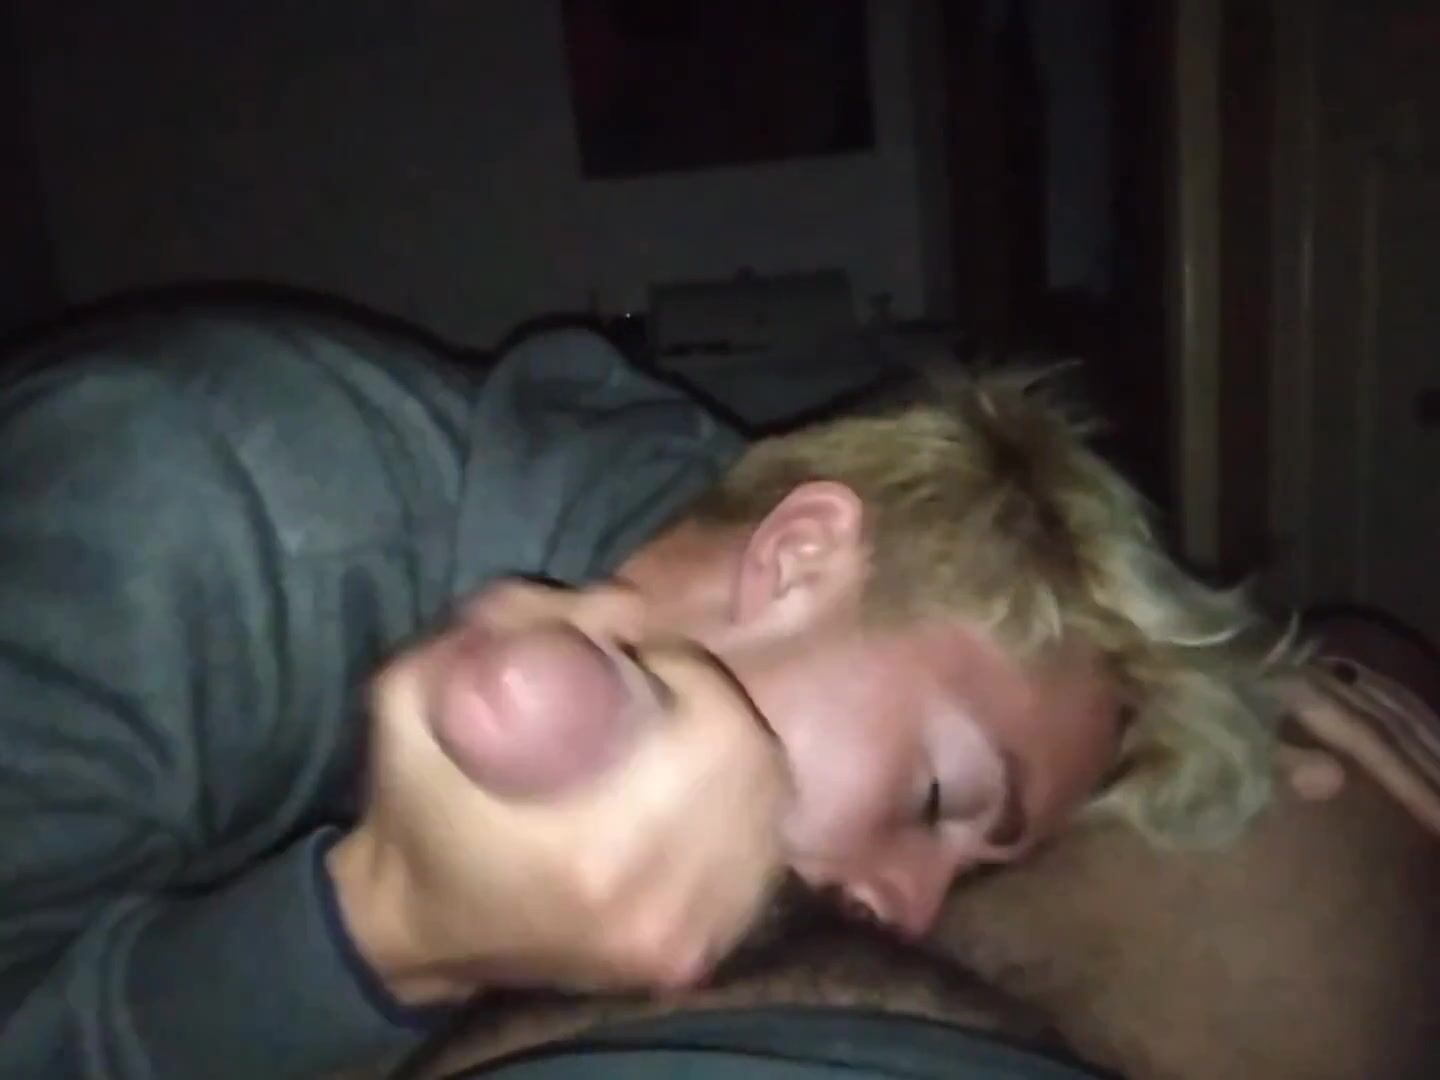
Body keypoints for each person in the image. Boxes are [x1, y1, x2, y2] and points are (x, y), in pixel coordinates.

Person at [0, 297, 1287, 1078]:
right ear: (797, 557)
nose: (904, 909)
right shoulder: (192, 515)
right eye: (939, 797)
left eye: (964, 872)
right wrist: (382, 934)